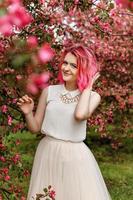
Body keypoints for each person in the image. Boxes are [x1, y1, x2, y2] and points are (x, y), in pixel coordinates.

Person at [17, 44, 111, 200]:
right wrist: (28, 113)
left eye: (74, 65)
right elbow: (35, 128)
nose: (66, 68)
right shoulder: (50, 91)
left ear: (84, 69)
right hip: (47, 151)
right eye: (65, 63)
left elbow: (80, 115)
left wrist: (87, 87)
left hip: (74, 155)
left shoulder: (92, 96)